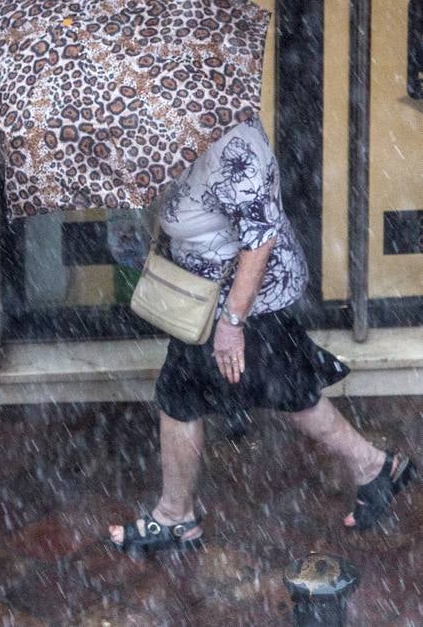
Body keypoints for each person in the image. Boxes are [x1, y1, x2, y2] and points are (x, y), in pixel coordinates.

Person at [109, 115, 416, 553]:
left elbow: (260, 238)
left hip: (242, 301)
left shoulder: (234, 144)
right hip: (207, 299)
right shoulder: (180, 126)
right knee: (276, 391)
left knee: (198, 396)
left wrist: (232, 324)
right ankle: (374, 466)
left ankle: (176, 517)